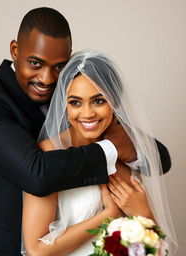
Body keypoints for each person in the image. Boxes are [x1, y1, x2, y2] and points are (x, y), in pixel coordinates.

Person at [0, 8, 171, 256]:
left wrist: (142, 211)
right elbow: (38, 173)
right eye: (35, 63)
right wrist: (112, 148)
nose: (46, 78)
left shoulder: (74, 91)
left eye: (58, 67)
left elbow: (159, 158)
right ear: (15, 50)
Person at [22, 50, 178, 255]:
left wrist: (144, 214)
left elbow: (150, 247)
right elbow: (36, 250)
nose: (87, 113)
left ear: (114, 101)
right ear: (64, 103)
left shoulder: (124, 152)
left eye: (98, 100)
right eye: (75, 102)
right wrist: (109, 215)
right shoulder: (50, 154)